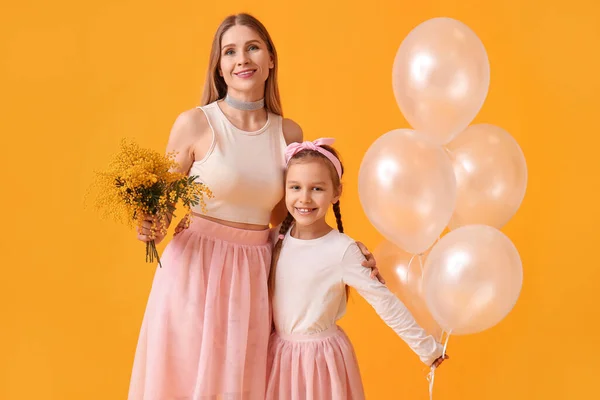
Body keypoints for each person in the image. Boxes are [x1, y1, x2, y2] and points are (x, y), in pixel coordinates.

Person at [128, 13, 380, 400]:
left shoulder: (289, 133)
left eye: (252, 47)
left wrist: (345, 250)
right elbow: (161, 206)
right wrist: (150, 226)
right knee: (185, 380)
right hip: (195, 270)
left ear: (270, 59)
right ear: (220, 67)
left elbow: (292, 217)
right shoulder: (195, 124)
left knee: (241, 386)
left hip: (256, 273)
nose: (242, 59)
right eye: (230, 51)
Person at [266, 138, 448, 400]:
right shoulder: (272, 242)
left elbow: (385, 303)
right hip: (278, 358)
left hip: (320, 362)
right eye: (295, 187)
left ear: (336, 192)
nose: (304, 198)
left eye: (317, 188)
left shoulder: (343, 250)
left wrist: (427, 349)